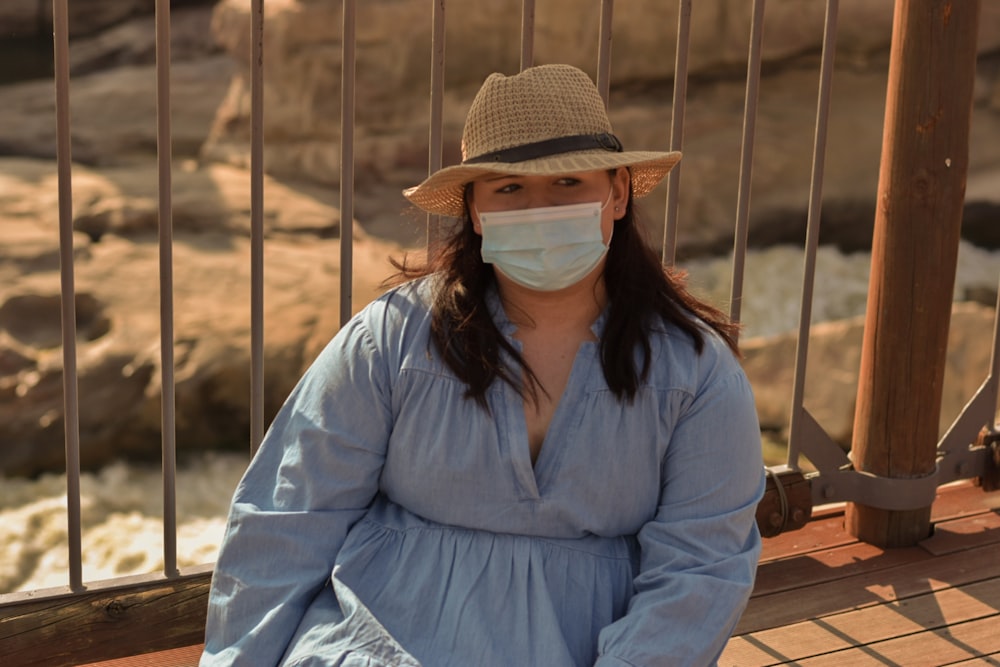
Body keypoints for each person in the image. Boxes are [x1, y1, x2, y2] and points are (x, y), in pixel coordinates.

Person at [201, 63, 764, 667]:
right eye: (509, 189)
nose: (538, 207)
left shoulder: (696, 371)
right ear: (474, 212)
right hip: (373, 642)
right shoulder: (390, 339)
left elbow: (701, 566)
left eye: (568, 183)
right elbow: (288, 517)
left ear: (619, 192)